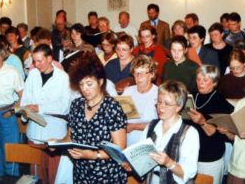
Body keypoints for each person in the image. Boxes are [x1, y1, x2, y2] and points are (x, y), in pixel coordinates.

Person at [56, 52, 127, 183]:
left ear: (100, 82)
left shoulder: (112, 107)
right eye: (81, 84)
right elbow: (70, 137)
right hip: (81, 173)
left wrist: (93, 155)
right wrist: (56, 144)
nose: (85, 89)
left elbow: (120, 149)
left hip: (107, 174)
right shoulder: (76, 105)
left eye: (89, 84)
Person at [20, 44, 72, 184]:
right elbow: (26, 98)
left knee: (54, 174)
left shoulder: (63, 77)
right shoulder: (32, 74)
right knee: (36, 175)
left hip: (54, 132)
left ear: (49, 59)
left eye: (40, 61)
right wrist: (25, 110)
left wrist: (39, 107)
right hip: (34, 131)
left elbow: (64, 107)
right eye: (34, 61)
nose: (36, 65)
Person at [142, 80, 200, 183]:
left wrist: (169, 163)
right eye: (159, 102)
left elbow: (188, 172)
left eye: (167, 104)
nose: (160, 107)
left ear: (179, 106)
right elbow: (142, 157)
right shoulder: (151, 126)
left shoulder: (190, 133)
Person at [188, 65, 234, 184]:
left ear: (214, 83)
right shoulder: (191, 96)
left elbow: (219, 134)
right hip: (190, 154)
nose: (200, 83)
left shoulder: (220, 102)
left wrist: (202, 122)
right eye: (198, 79)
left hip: (210, 156)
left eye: (205, 80)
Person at [0, 41, 24, 179]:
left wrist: (13, 111)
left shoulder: (11, 72)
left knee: (10, 152)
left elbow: (23, 97)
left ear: (2, 56)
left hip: (6, 114)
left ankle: (12, 179)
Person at [122, 55, 158, 146]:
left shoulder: (159, 93)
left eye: (142, 73)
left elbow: (161, 124)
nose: (138, 77)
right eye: (136, 73)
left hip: (148, 144)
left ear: (152, 74)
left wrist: (134, 126)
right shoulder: (128, 92)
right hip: (126, 143)